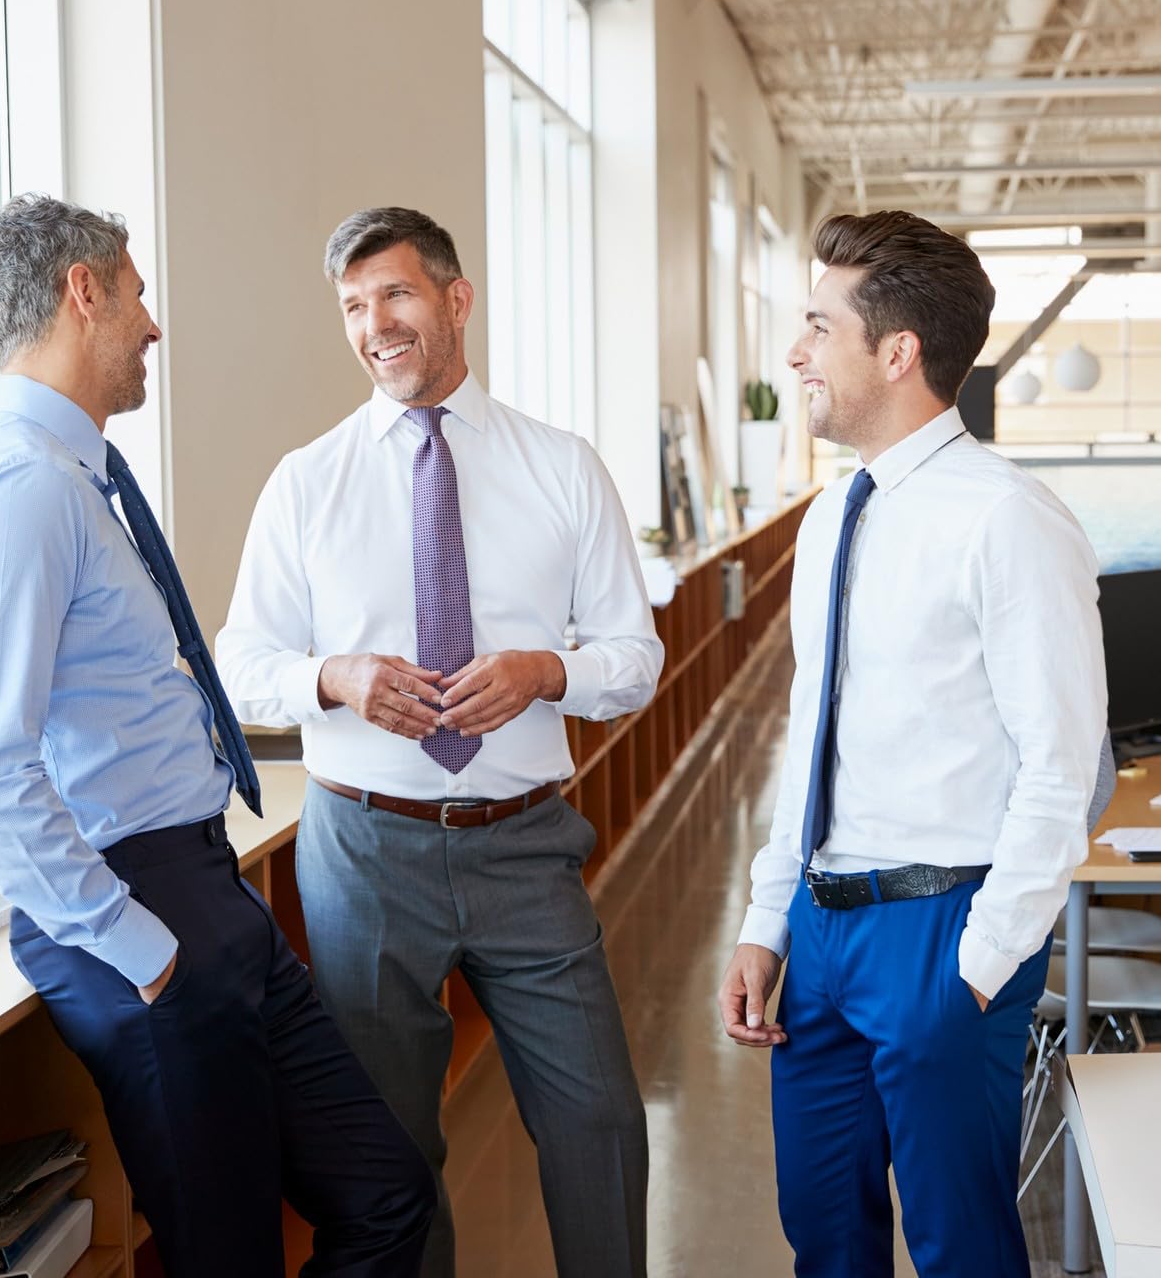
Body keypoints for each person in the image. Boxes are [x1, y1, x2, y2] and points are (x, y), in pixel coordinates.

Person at [0, 193, 434, 1278]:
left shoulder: (78, 478)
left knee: (387, 1192)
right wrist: (140, 948)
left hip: (206, 886)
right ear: (83, 290)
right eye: (138, 291)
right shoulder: (21, 490)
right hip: (137, 913)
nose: (152, 323)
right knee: (226, 1257)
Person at [216, 206, 661, 1278]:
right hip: (364, 856)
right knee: (390, 1151)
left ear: (456, 300)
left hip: (526, 844)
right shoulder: (306, 480)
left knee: (599, 1120)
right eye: (354, 306)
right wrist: (336, 676)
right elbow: (240, 659)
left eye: (397, 294)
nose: (377, 325)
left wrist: (544, 671)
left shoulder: (560, 466)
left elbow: (633, 656)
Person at [716, 210, 1107, 1277]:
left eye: (815, 325)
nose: (795, 351)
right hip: (821, 933)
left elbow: (1062, 765)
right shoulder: (831, 514)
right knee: (823, 1238)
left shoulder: (1008, 518)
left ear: (897, 352)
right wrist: (766, 915)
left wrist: (980, 965)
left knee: (960, 1248)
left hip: (942, 927)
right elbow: (811, 731)